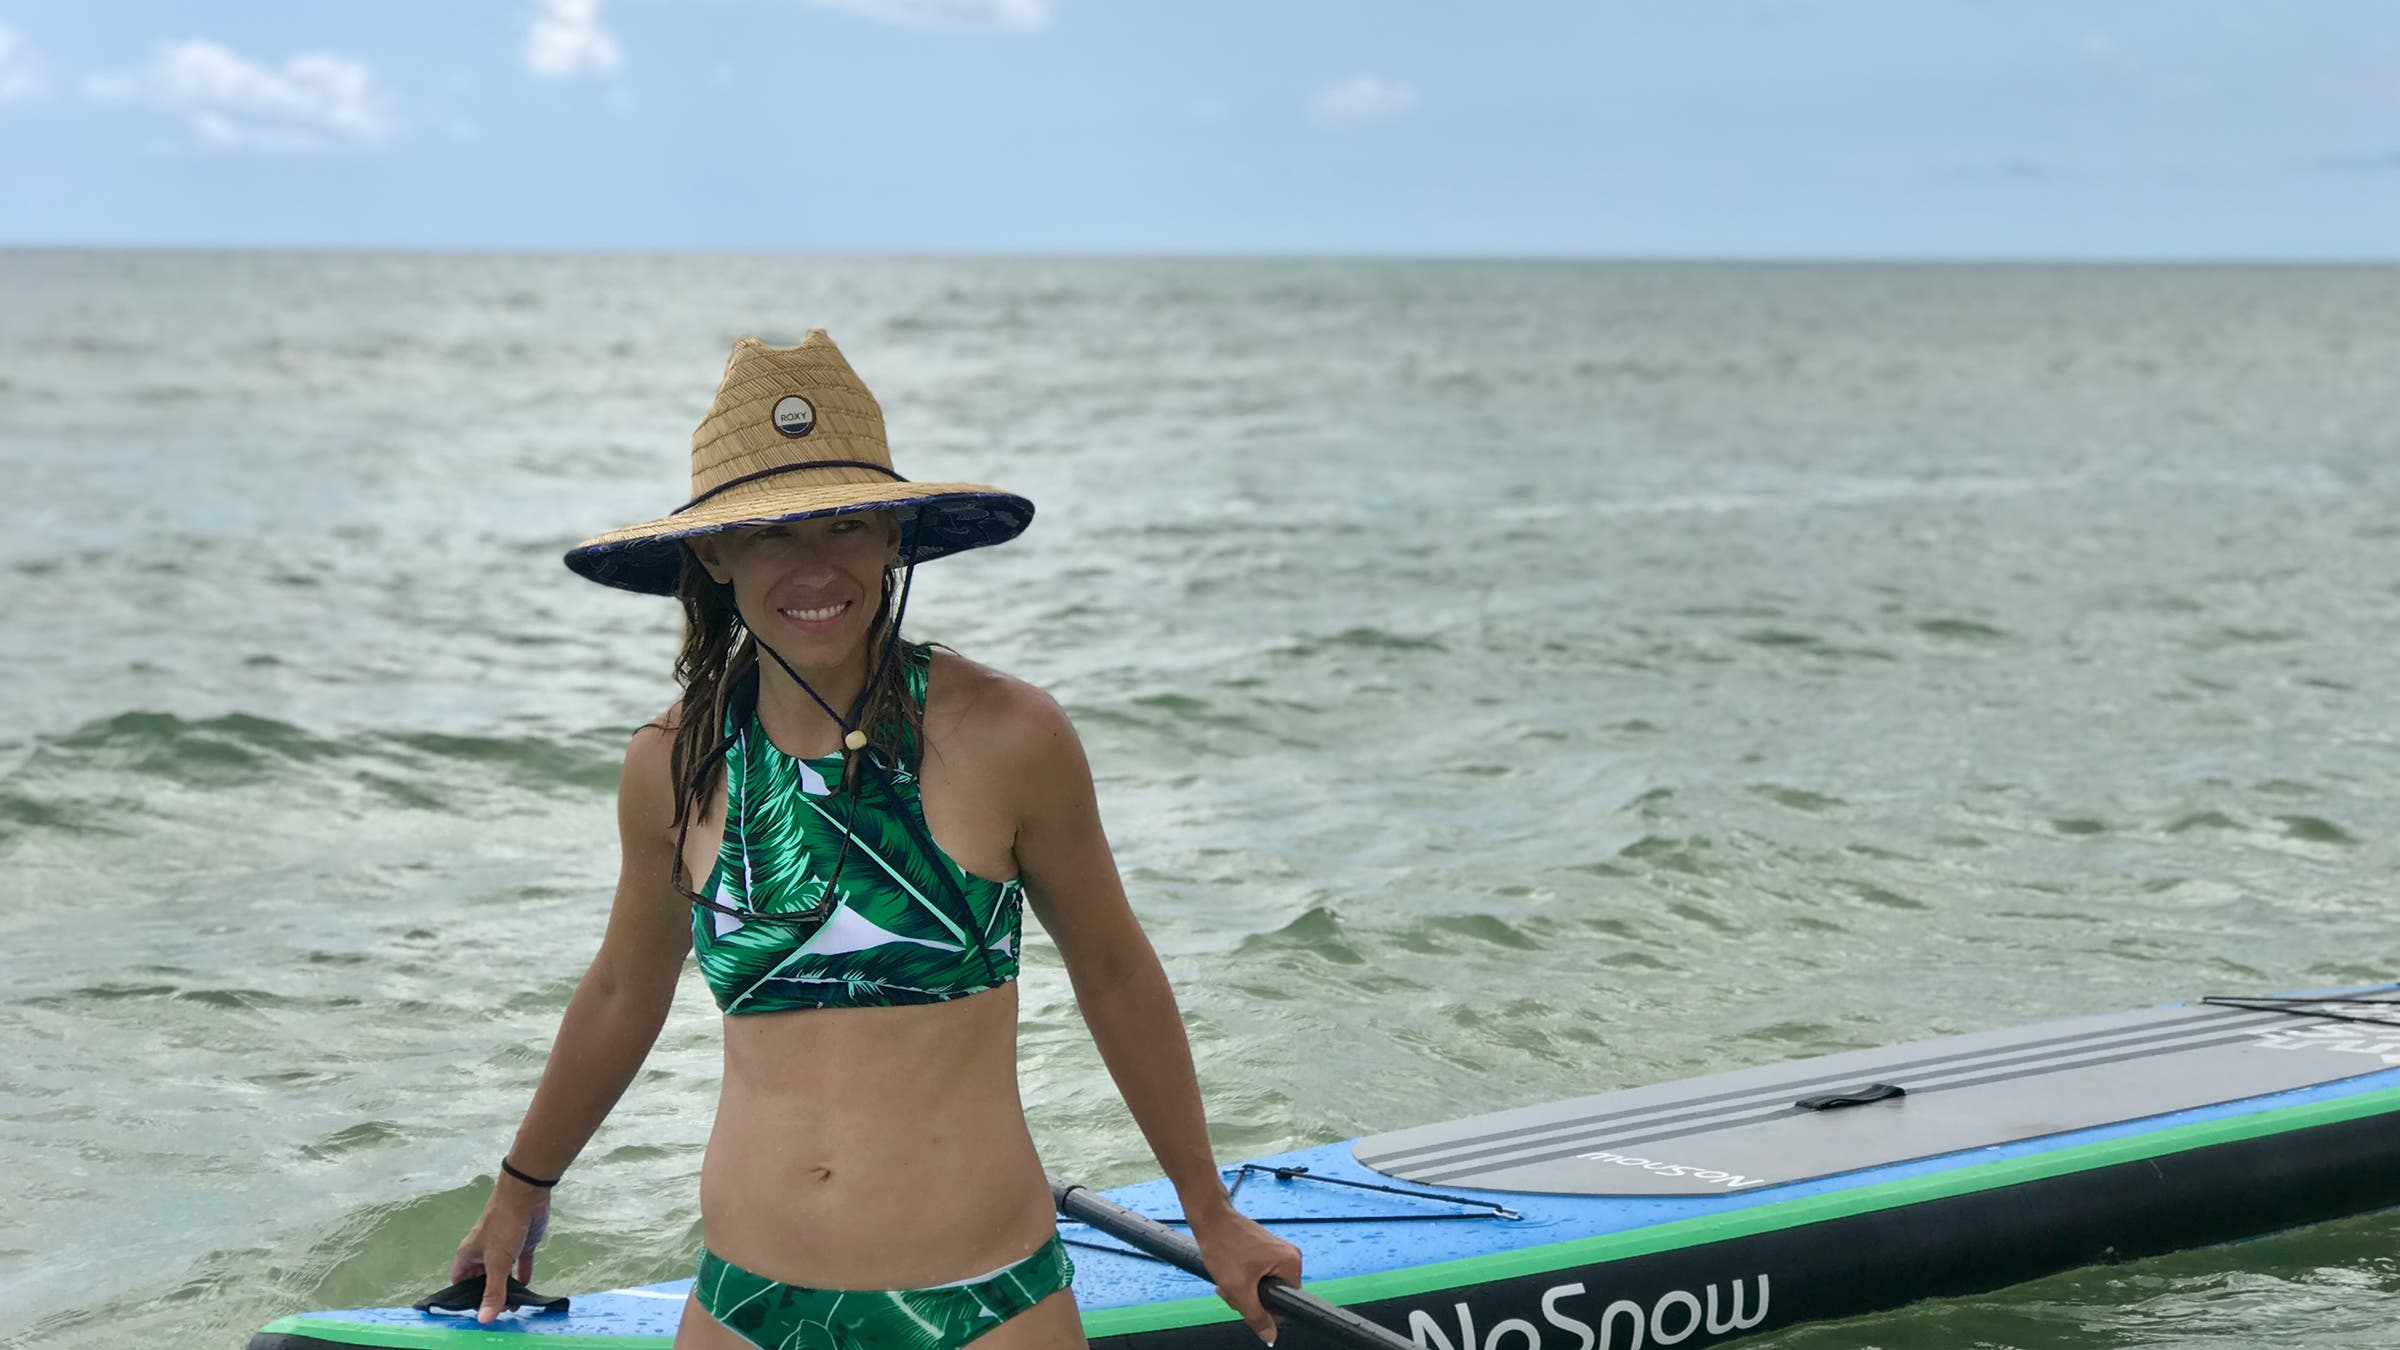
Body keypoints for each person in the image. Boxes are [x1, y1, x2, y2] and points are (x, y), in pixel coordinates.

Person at [448, 332, 1302, 1349]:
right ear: (713, 556)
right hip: (744, 1304)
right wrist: (519, 1190)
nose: (815, 567)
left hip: (986, 1304)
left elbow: (1114, 973)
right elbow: (624, 992)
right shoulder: (672, 766)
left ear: (894, 538)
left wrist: (1208, 1212)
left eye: (846, 525)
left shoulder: (1008, 737)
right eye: (772, 534)